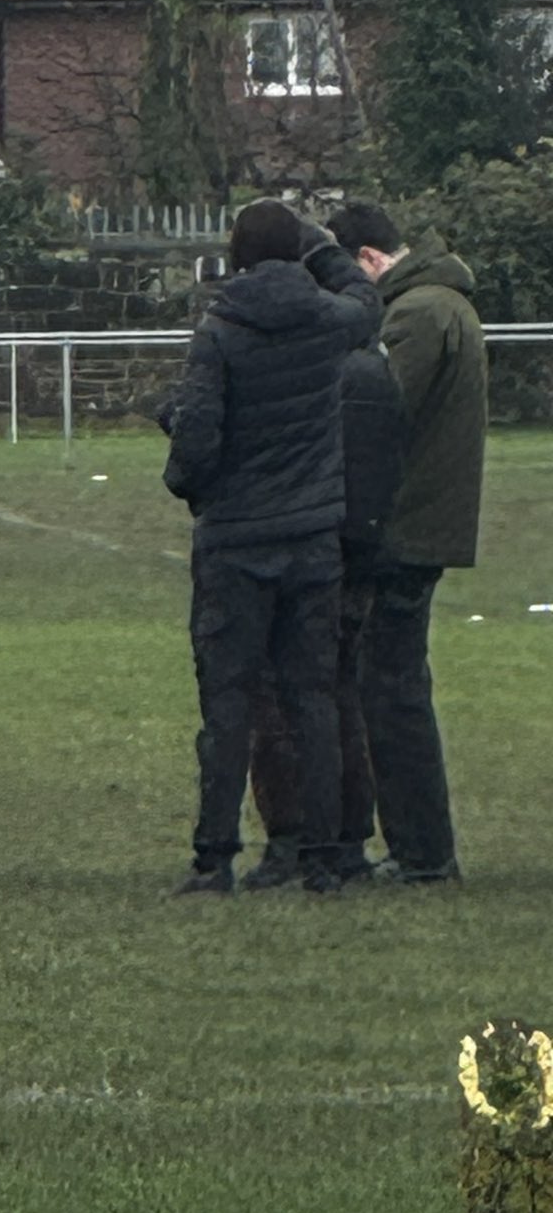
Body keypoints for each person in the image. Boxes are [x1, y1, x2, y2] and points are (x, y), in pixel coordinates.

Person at [163, 199, 381, 895]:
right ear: (296, 254)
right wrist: (323, 249)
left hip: (235, 540)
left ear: (236, 256)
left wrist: (187, 484)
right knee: (312, 697)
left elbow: (197, 438)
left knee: (227, 704)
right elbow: (365, 297)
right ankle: (323, 852)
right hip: (312, 535)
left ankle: (214, 856)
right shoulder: (325, 322)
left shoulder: (220, 331)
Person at [327, 201, 488, 883]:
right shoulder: (441, 303)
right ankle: (420, 850)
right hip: (423, 522)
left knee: (390, 692)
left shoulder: (417, 314)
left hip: (406, 527)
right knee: (392, 685)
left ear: (366, 258)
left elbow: (382, 410)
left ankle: (423, 854)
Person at [245, 305, 407, 886]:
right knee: (341, 692)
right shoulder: (376, 368)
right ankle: (346, 838)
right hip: (359, 549)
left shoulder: (311, 367)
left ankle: (292, 838)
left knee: (280, 694)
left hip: (307, 547)